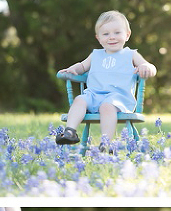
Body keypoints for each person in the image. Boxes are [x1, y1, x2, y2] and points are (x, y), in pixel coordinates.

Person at [56, 10, 157, 151]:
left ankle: (106, 142)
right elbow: (82, 66)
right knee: (79, 99)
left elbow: (149, 67)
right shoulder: (95, 55)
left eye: (117, 33)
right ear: (98, 38)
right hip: (94, 95)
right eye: (106, 34)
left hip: (118, 98)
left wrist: (147, 67)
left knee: (106, 107)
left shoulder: (130, 54)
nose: (111, 37)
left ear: (127, 35)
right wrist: (72, 70)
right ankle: (70, 131)